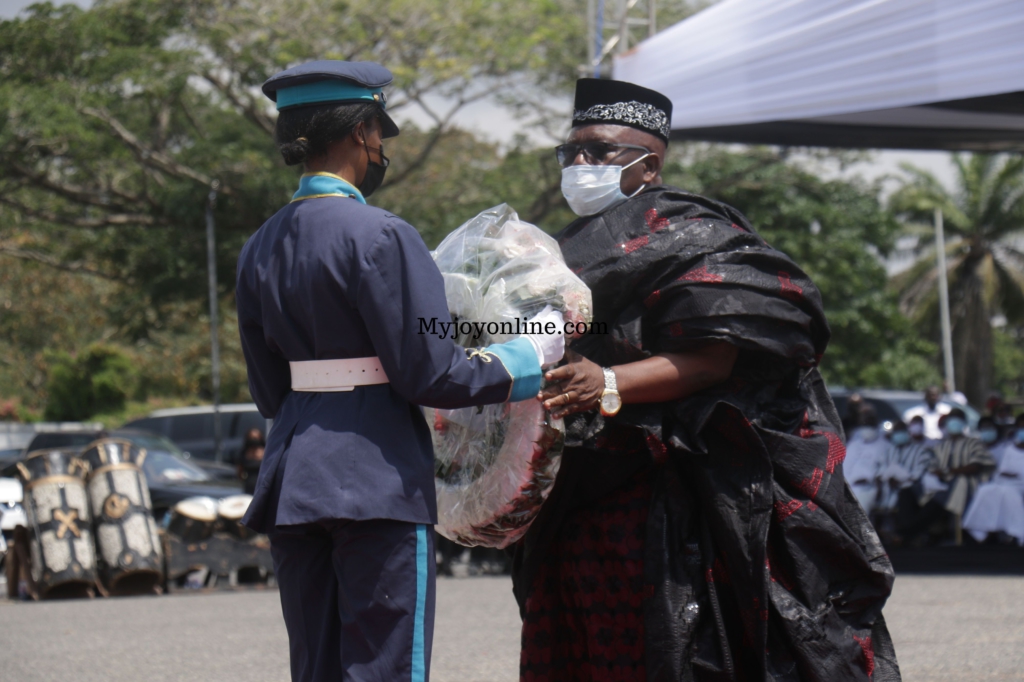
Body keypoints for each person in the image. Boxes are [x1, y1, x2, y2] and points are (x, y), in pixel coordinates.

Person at [512, 78, 899, 681]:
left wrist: (608, 383)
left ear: (648, 165)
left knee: (671, 646)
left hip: (671, 488)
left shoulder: (695, 236)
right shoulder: (555, 248)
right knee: (578, 639)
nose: (580, 163)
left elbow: (712, 359)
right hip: (579, 481)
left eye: (599, 150)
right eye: (571, 152)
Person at [235, 60, 563, 682]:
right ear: (361, 132)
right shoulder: (382, 235)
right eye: (379, 134)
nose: (381, 149)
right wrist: (529, 353)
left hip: (294, 479)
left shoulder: (260, 245)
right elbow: (431, 372)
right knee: (385, 667)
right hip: (375, 478)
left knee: (316, 667)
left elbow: (267, 388)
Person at [963, 417, 1024, 544]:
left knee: (1012, 495)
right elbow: (1002, 471)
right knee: (985, 490)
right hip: (1005, 483)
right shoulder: (1009, 449)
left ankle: (1016, 532)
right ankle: (982, 531)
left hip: (1019, 486)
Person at [843, 405, 889, 513]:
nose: (867, 422)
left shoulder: (885, 445)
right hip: (849, 488)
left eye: (869, 419)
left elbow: (883, 471)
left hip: (868, 489)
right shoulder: (854, 443)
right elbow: (845, 468)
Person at [237, 428, 265, 495]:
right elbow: (239, 472)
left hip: (263, 485)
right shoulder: (244, 453)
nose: (254, 440)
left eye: (256, 438)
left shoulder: (266, 452)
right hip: (249, 486)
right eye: (252, 438)